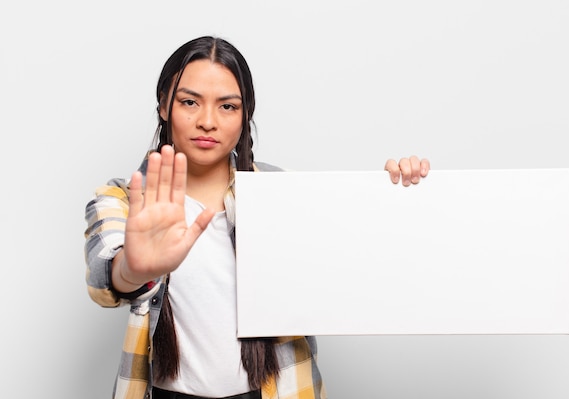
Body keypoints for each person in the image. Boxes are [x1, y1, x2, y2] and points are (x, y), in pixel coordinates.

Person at [84, 35, 430, 399]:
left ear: (246, 112)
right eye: (189, 102)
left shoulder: (284, 195)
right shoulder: (125, 199)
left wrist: (400, 193)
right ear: (164, 107)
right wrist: (133, 270)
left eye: (227, 107)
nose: (207, 121)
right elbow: (104, 277)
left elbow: (364, 254)